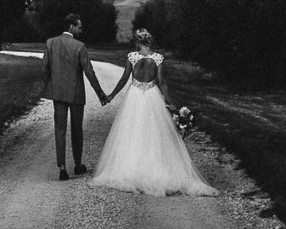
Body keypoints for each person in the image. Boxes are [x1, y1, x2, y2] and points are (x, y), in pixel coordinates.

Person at [90, 28, 218, 196]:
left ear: (137, 41)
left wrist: (110, 96)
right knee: (153, 133)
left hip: (134, 96)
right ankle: (155, 167)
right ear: (149, 41)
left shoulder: (132, 57)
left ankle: (131, 168)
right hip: (151, 95)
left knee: (132, 132)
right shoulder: (157, 58)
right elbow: (162, 82)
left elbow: (124, 79)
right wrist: (170, 103)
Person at [42, 13, 109, 181]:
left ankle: (62, 168)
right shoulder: (79, 46)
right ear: (71, 26)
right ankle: (78, 165)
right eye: (79, 26)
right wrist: (100, 94)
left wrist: (47, 87)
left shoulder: (50, 43)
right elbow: (89, 72)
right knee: (77, 129)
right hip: (76, 93)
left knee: (60, 129)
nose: (81, 29)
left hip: (58, 92)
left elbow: (44, 69)